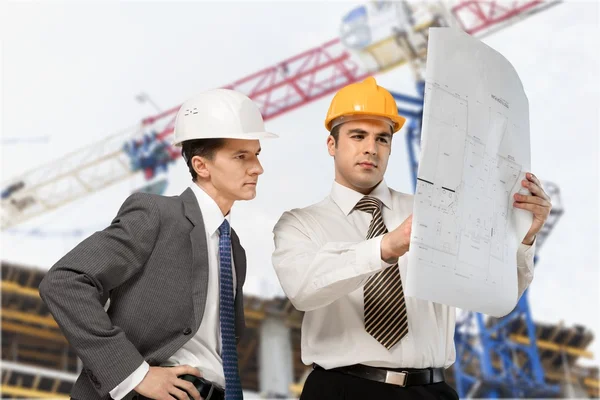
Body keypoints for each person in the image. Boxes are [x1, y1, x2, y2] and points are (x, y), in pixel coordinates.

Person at [271, 77, 551, 400]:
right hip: (341, 390)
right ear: (331, 144)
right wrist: (386, 247)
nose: (370, 149)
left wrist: (525, 237)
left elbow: (493, 296)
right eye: (358, 136)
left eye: (382, 139)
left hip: (430, 392)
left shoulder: (431, 210)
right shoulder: (300, 224)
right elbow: (303, 289)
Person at [39, 88, 278, 400]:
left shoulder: (233, 248)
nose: (257, 168)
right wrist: (133, 374)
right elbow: (65, 281)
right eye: (241, 156)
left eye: (256, 154)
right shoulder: (157, 215)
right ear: (201, 165)